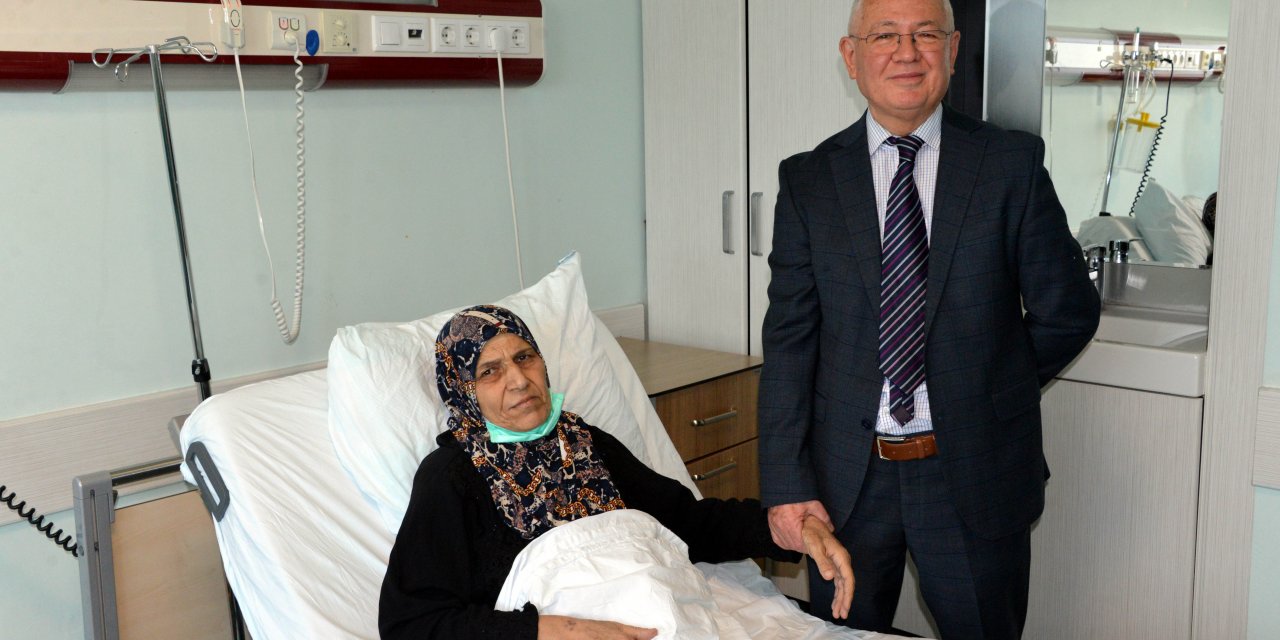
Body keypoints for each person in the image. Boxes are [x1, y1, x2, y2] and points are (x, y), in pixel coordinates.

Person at [757, 0, 1100, 638]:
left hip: (973, 470)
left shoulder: (1010, 164)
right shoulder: (809, 180)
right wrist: (785, 485)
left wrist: (985, 385)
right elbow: (789, 343)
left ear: (953, 48)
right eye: (884, 35)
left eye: (925, 34)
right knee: (841, 634)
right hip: (846, 483)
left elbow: (1067, 311)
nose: (906, 53)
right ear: (851, 56)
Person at [380, 305, 854, 639]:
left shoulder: (583, 441)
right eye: (490, 372)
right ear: (462, 390)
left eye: (524, 357)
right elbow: (413, 622)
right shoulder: (451, 477)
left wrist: (782, 527)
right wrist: (550, 630)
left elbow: (686, 523)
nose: (519, 380)